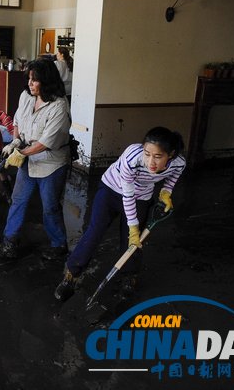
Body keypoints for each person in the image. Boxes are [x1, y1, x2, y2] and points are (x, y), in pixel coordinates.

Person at [54, 127, 186, 302]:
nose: (150, 162)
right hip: (111, 190)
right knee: (95, 232)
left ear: (171, 154)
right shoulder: (132, 156)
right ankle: (71, 275)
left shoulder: (179, 163)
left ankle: (129, 277)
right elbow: (128, 195)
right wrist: (133, 227)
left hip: (142, 197)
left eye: (158, 156)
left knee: (132, 242)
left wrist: (166, 192)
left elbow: (173, 176)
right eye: (147, 154)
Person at [0, 59, 71, 260]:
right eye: (30, 79)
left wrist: (20, 153)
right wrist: (16, 141)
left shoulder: (59, 106)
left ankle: (59, 245)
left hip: (51, 163)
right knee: (18, 200)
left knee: (50, 207)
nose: (30, 84)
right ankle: (10, 242)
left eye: (35, 80)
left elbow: (46, 142)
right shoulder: (26, 96)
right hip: (28, 158)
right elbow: (17, 121)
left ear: (47, 80)